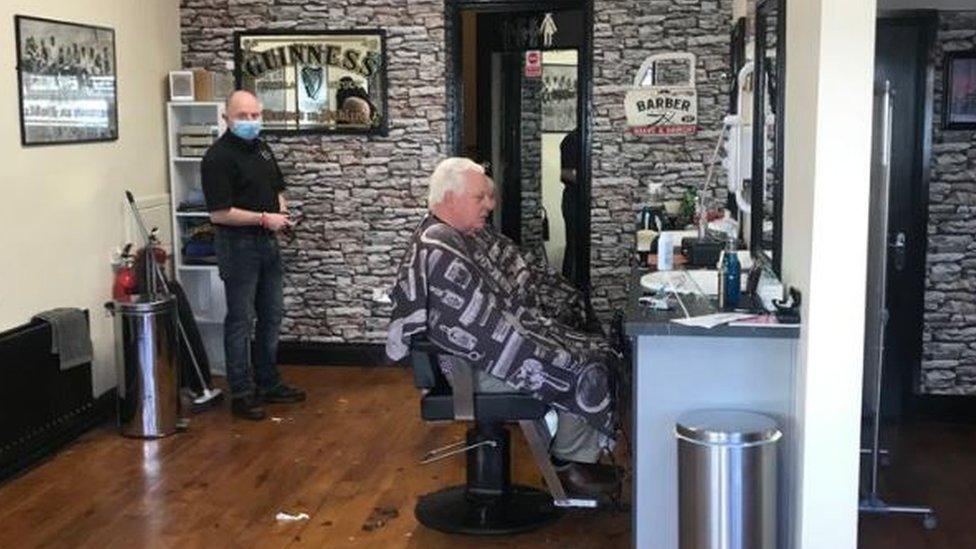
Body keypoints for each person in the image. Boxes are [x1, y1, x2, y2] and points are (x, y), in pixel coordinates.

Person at [387, 157, 619, 497]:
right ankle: (570, 466)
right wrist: (547, 342)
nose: (490, 205)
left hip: (483, 355)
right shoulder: (438, 247)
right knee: (585, 364)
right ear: (450, 198)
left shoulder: (460, 235)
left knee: (589, 346)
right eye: (480, 198)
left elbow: (510, 288)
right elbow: (478, 329)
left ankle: (574, 458)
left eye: (489, 197)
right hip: (466, 368)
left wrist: (546, 325)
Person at [201, 90, 305, 421]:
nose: (249, 122)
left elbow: (277, 189)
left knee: (272, 315)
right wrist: (263, 218)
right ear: (226, 118)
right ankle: (242, 393)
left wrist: (283, 215)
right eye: (242, 116)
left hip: (268, 243)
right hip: (238, 245)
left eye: (254, 115)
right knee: (241, 320)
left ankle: (268, 382)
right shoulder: (216, 158)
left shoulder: (262, 148)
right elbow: (219, 213)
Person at [560, 128, 580, 281]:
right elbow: (566, 174)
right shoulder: (571, 139)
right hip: (574, 199)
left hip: (580, 199)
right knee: (573, 246)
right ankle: (569, 289)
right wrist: (586, 183)